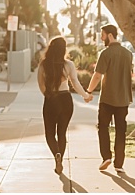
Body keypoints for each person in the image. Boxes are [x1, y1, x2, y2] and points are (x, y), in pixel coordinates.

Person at [37, 37, 93, 174]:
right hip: (65, 100)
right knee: (61, 133)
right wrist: (86, 96)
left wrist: (48, 96)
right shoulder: (68, 65)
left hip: (51, 99)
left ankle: (56, 154)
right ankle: (60, 157)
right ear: (63, 49)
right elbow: (75, 83)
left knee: (50, 134)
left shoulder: (43, 65)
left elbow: (41, 84)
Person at [86, 24, 134, 173]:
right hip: (123, 99)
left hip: (107, 99)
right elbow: (130, 74)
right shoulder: (128, 54)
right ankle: (119, 164)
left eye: (103, 35)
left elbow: (98, 75)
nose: (101, 38)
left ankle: (106, 156)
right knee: (121, 131)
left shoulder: (105, 54)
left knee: (103, 128)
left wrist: (88, 91)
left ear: (110, 35)